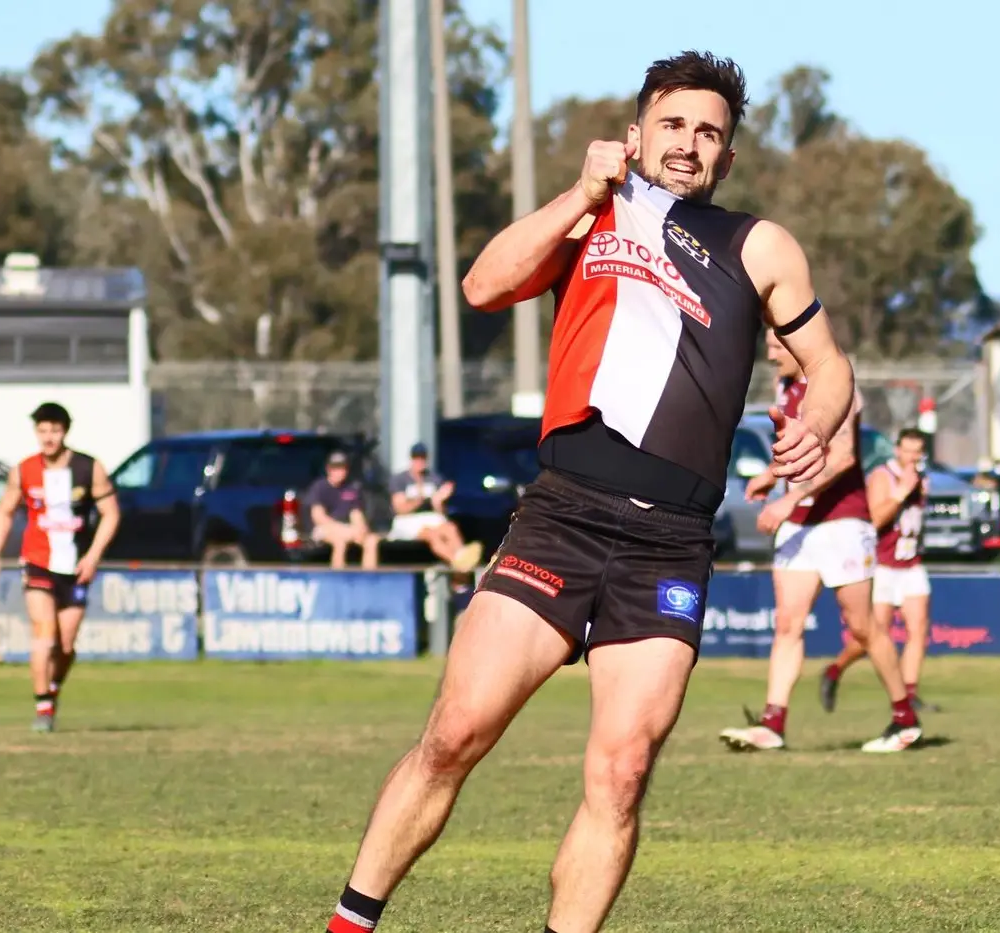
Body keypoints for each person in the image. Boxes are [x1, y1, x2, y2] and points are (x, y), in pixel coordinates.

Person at [323, 51, 854, 933]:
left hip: (671, 543)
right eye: (674, 124)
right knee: (456, 733)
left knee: (621, 771)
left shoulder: (758, 244)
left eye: (710, 133)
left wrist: (817, 424)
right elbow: (483, 285)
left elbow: (831, 370)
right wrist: (578, 193)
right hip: (562, 514)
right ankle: (349, 924)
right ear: (638, 130)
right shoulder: (591, 216)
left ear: (728, 157)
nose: (689, 144)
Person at [717, 332, 921, 754]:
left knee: (864, 627)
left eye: (777, 346)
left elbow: (843, 455)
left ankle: (904, 718)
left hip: (842, 523)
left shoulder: (836, 383)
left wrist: (788, 496)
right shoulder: (786, 388)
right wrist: (771, 476)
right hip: (800, 526)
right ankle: (773, 722)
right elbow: (799, 453)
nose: (771, 355)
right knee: (788, 624)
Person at [0, 402, 118, 733]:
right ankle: (43, 707)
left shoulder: (89, 468)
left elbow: (111, 513)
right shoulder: (23, 470)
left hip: (76, 567)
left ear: (65, 431)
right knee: (44, 636)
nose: (48, 438)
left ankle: (53, 689)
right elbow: (4, 512)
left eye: (54, 430)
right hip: (39, 562)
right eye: (42, 431)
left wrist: (94, 555)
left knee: (65, 646)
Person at [818, 427, 940, 715]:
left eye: (917, 452)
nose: (912, 457)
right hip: (883, 566)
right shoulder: (883, 477)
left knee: (918, 629)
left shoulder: (922, 479)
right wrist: (900, 495)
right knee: (873, 635)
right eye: (907, 450)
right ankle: (835, 670)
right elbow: (873, 519)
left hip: (911, 564)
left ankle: (910, 694)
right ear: (897, 450)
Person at [387, 442, 483, 573]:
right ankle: (458, 563)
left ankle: (461, 558)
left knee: (450, 528)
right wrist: (421, 500)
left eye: (422, 458)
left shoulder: (434, 479)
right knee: (432, 535)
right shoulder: (400, 479)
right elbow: (400, 509)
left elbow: (442, 512)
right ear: (411, 459)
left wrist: (439, 501)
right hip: (407, 520)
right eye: (416, 458)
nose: (419, 461)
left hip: (431, 517)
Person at [307, 451, 379, 570]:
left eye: (342, 468)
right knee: (340, 542)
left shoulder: (352, 487)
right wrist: (343, 529)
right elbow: (318, 517)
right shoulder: (319, 487)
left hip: (349, 529)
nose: (339, 472)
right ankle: (338, 579)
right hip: (324, 529)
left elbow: (356, 513)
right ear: (328, 469)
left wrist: (361, 528)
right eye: (335, 468)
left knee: (371, 541)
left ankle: (369, 580)